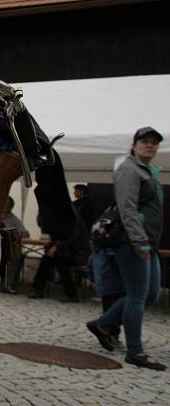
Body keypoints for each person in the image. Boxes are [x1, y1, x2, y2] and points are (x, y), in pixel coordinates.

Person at [87, 127, 165, 370]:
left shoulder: (147, 171)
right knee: (136, 296)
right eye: (145, 141)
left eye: (154, 142)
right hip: (131, 242)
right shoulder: (129, 169)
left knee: (151, 294)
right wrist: (139, 241)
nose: (150, 145)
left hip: (148, 242)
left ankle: (101, 324)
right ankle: (135, 351)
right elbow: (127, 208)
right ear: (134, 145)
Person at [27, 209, 88, 302]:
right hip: (66, 251)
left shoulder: (75, 221)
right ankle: (37, 289)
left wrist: (56, 246)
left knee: (61, 261)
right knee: (47, 258)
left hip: (79, 254)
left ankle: (72, 294)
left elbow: (70, 238)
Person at [1, 197, 29, 294]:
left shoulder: (13, 219)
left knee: (16, 257)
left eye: (7, 205)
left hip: (7, 249)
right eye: (3, 204)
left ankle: (9, 285)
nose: (4, 206)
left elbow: (25, 233)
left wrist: (16, 235)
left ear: (10, 207)